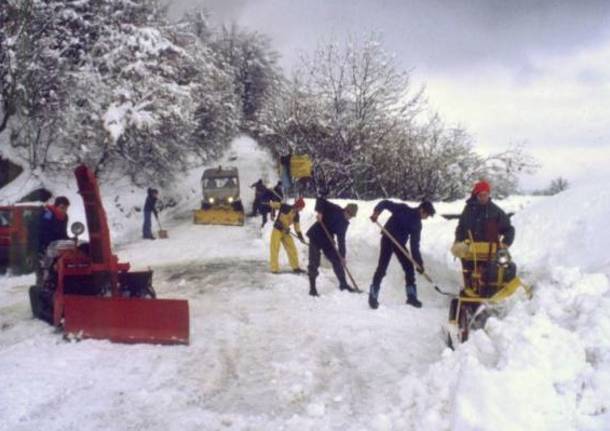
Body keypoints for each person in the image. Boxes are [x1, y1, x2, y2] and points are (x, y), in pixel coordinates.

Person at [368, 200, 435, 309]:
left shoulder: (417, 225)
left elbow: (414, 246)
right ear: (422, 210)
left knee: (409, 267)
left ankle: (411, 297)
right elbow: (385, 203)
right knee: (382, 267)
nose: (427, 217)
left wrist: (419, 264)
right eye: (427, 214)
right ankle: (373, 296)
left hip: (399, 244)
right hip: (387, 239)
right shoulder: (403, 208)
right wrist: (376, 213)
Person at [453, 181, 515, 294]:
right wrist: (458, 241)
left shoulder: (495, 211)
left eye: (485, 194)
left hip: (489, 250)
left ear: (489, 194)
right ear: (476, 195)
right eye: (480, 195)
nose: (483, 197)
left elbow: (509, 229)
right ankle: (469, 290)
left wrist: (505, 243)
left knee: (496, 270)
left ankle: (492, 291)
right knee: (468, 271)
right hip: (471, 250)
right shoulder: (468, 210)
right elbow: (461, 227)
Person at [306, 198, 359, 296]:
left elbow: (341, 240)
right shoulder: (335, 209)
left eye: (352, 216)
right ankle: (312, 288)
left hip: (328, 239)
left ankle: (343, 284)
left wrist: (342, 256)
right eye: (350, 214)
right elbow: (320, 200)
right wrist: (320, 212)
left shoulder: (344, 224)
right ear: (346, 210)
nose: (350, 217)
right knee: (314, 261)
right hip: (316, 235)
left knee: (337, 259)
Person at [268, 197, 306, 274]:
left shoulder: (296, 215)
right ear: (298, 206)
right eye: (301, 208)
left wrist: (300, 237)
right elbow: (273, 205)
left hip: (285, 231)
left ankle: (295, 267)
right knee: (275, 248)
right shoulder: (285, 207)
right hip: (277, 230)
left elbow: (297, 228)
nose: (301, 210)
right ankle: (274, 268)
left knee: (292, 248)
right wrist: (272, 213)